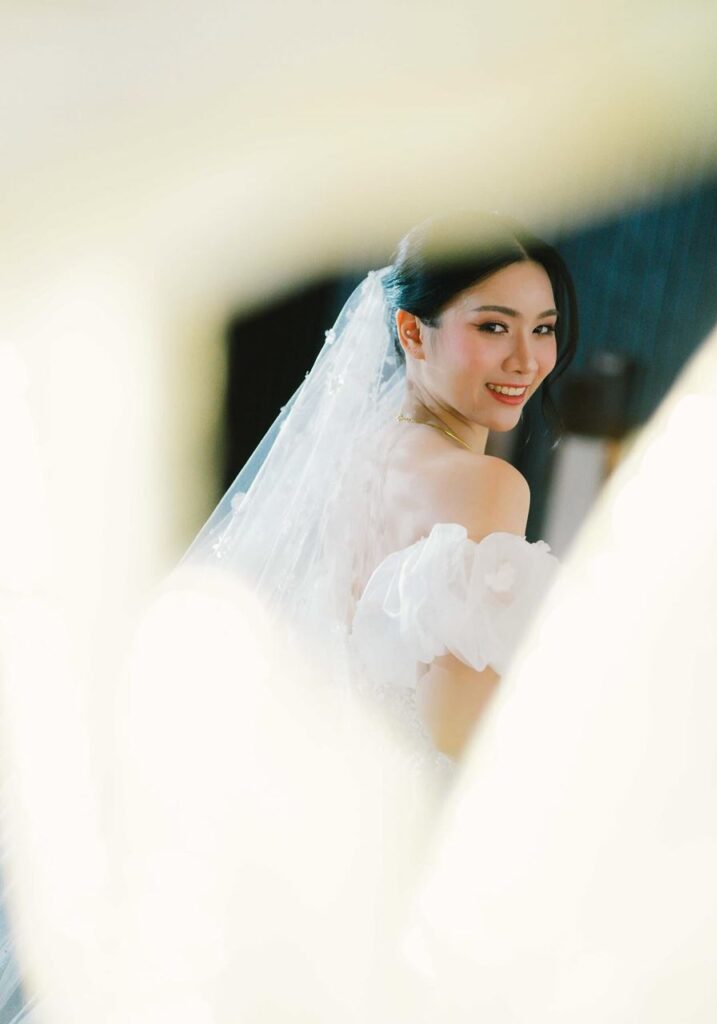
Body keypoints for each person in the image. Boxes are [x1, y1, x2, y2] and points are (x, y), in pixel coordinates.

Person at [179, 210, 578, 774]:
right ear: (412, 331)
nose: (526, 360)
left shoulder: (358, 455)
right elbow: (458, 729)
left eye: (542, 329)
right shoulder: (488, 484)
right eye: (493, 327)